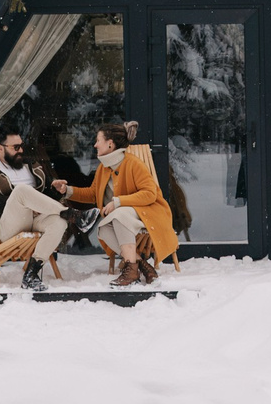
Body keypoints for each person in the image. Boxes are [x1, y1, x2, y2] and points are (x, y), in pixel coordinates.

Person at [53, 122, 178, 286]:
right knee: (103, 229)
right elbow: (93, 194)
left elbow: (150, 194)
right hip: (123, 217)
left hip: (148, 214)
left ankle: (131, 273)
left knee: (118, 216)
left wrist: (118, 202)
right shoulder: (103, 168)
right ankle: (141, 265)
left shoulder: (133, 163)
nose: (95, 145)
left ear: (110, 144)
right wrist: (67, 190)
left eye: (98, 140)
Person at [0, 130, 67, 290]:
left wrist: (56, 191)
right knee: (21, 191)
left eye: (21, 146)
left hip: (36, 222)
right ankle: (72, 214)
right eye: (16, 147)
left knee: (59, 222)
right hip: (9, 227)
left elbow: (44, 196)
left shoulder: (32, 166)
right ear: (0, 148)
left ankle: (31, 274)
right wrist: (20, 202)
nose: (21, 150)